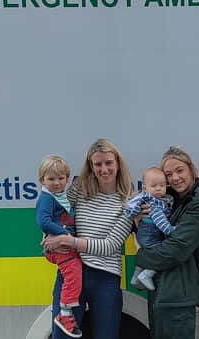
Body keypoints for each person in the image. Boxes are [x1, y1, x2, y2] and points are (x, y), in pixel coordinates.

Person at [42, 139, 134, 339]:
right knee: (62, 336)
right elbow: (60, 214)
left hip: (105, 279)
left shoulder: (129, 201)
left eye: (108, 163)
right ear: (91, 167)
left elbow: (110, 246)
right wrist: (50, 238)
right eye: (97, 164)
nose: (104, 169)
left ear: (118, 163)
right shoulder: (79, 189)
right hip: (71, 274)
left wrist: (68, 241)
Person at [135, 146, 199, 339]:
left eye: (180, 170)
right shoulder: (174, 201)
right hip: (164, 293)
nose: (175, 178)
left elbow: (176, 250)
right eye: (168, 174)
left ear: (191, 170)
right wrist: (137, 221)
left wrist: (141, 256)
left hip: (178, 296)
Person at [35, 155, 83, 338]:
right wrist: (66, 236)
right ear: (42, 180)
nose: (56, 183)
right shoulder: (47, 198)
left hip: (63, 245)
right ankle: (64, 314)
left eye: (61, 178)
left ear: (67, 179)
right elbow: (43, 222)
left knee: (74, 273)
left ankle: (66, 312)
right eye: (51, 179)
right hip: (60, 247)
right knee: (73, 273)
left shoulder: (60, 195)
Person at [124, 167, 175, 291]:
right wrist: (171, 230)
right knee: (161, 254)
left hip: (143, 235)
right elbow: (161, 222)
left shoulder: (147, 199)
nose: (158, 188)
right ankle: (147, 274)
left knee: (146, 254)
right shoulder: (154, 204)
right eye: (154, 186)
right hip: (151, 235)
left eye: (162, 185)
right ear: (144, 188)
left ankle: (136, 277)